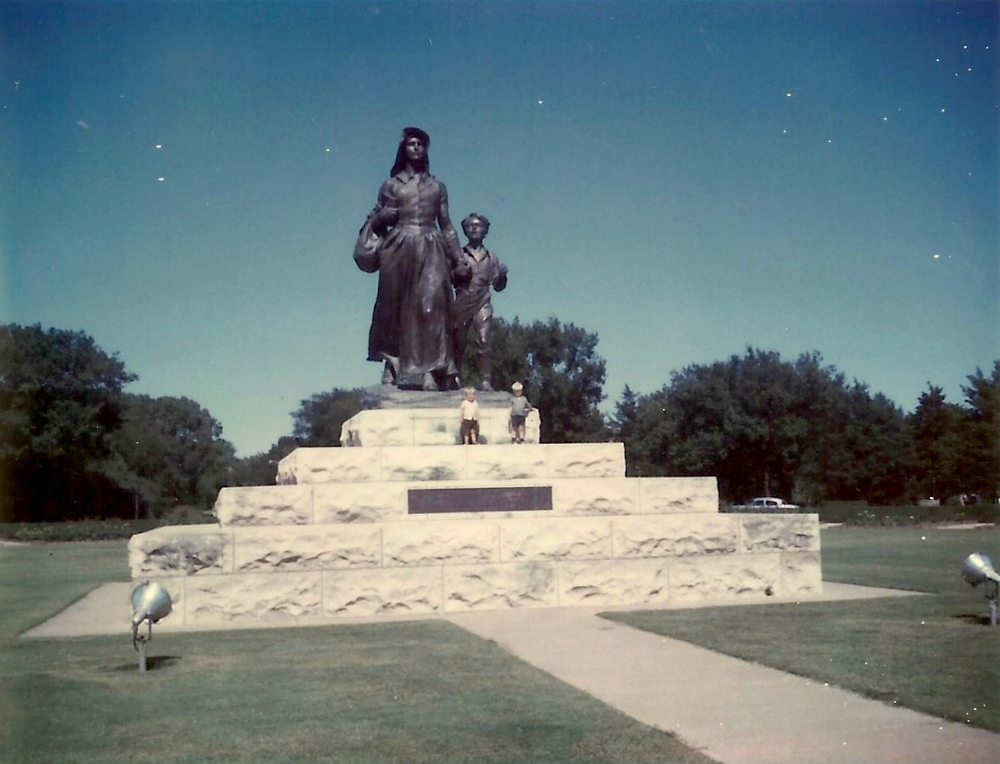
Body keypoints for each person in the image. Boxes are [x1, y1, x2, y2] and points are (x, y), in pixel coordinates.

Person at [362, 127, 464, 391]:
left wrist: (459, 258)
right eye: (411, 144)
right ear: (403, 149)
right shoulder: (391, 185)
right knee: (394, 308)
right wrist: (381, 218)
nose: (416, 148)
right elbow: (377, 222)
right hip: (399, 246)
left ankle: (432, 369)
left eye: (421, 144)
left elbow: (447, 224)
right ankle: (392, 364)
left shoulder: (437, 186)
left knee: (433, 306)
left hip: (431, 244)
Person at [452, 213, 508, 391]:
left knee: (484, 340)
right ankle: (453, 376)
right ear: (464, 230)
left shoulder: (491, 257)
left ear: (485, 231)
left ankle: (485, 380)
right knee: (458, 341)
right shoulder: (459, 254)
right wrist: (457, 273)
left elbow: (498, 286)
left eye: (478, 226)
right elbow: (447, 279)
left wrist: (503, 276)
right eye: (470, 226)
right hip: (462, 299)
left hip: (482, 300)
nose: (474, 229)